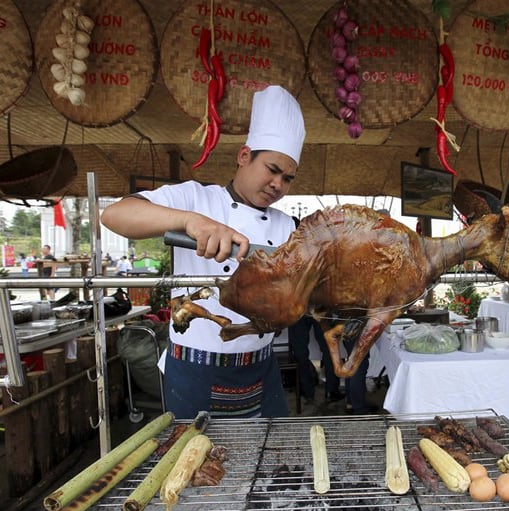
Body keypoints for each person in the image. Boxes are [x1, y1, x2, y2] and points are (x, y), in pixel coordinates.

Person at [101, 85, 306, 419]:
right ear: (244, 156)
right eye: (272, 169)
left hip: (261, 369)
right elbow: (114, 215)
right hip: (194, 370)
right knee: (196, 465)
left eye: (288, 178)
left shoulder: (288, 225)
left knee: (270, 462)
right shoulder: (196, 199)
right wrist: (188, 221)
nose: (278, 185)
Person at [288, 315, 344, 403]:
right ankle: (331, 390)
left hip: (298, 309)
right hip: (320, 306)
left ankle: (307, 392)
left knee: (300, 353)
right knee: (328, 349)